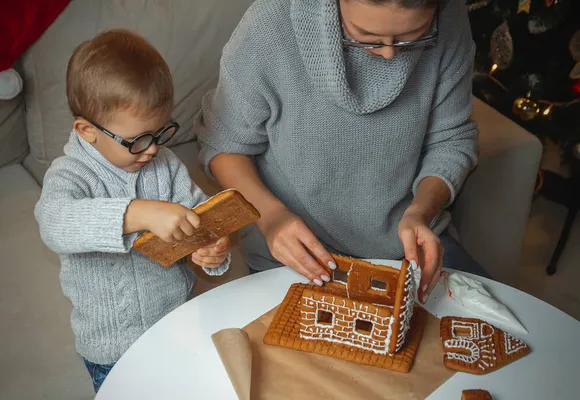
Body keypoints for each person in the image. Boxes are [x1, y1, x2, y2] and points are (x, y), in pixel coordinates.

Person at [196, 0, 488, 304]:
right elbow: (224, 145)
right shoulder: (270, 25)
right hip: (299, 254)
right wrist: (271, 219)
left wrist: (421, 212)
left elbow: (452, 140)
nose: (389, 54)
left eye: (412, 36)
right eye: (366, 35)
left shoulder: (450, 16)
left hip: (410, 242)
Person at [34, 29, 231, 393]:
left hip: (180, 322)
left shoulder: (165, 165)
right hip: (113, 349)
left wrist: (210, 250)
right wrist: (138, 213)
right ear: (87, 131)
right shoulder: (70, 174)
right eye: (139, 139)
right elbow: (54, 223)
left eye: (160, 133)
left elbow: (200, 217)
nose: (153, 149)